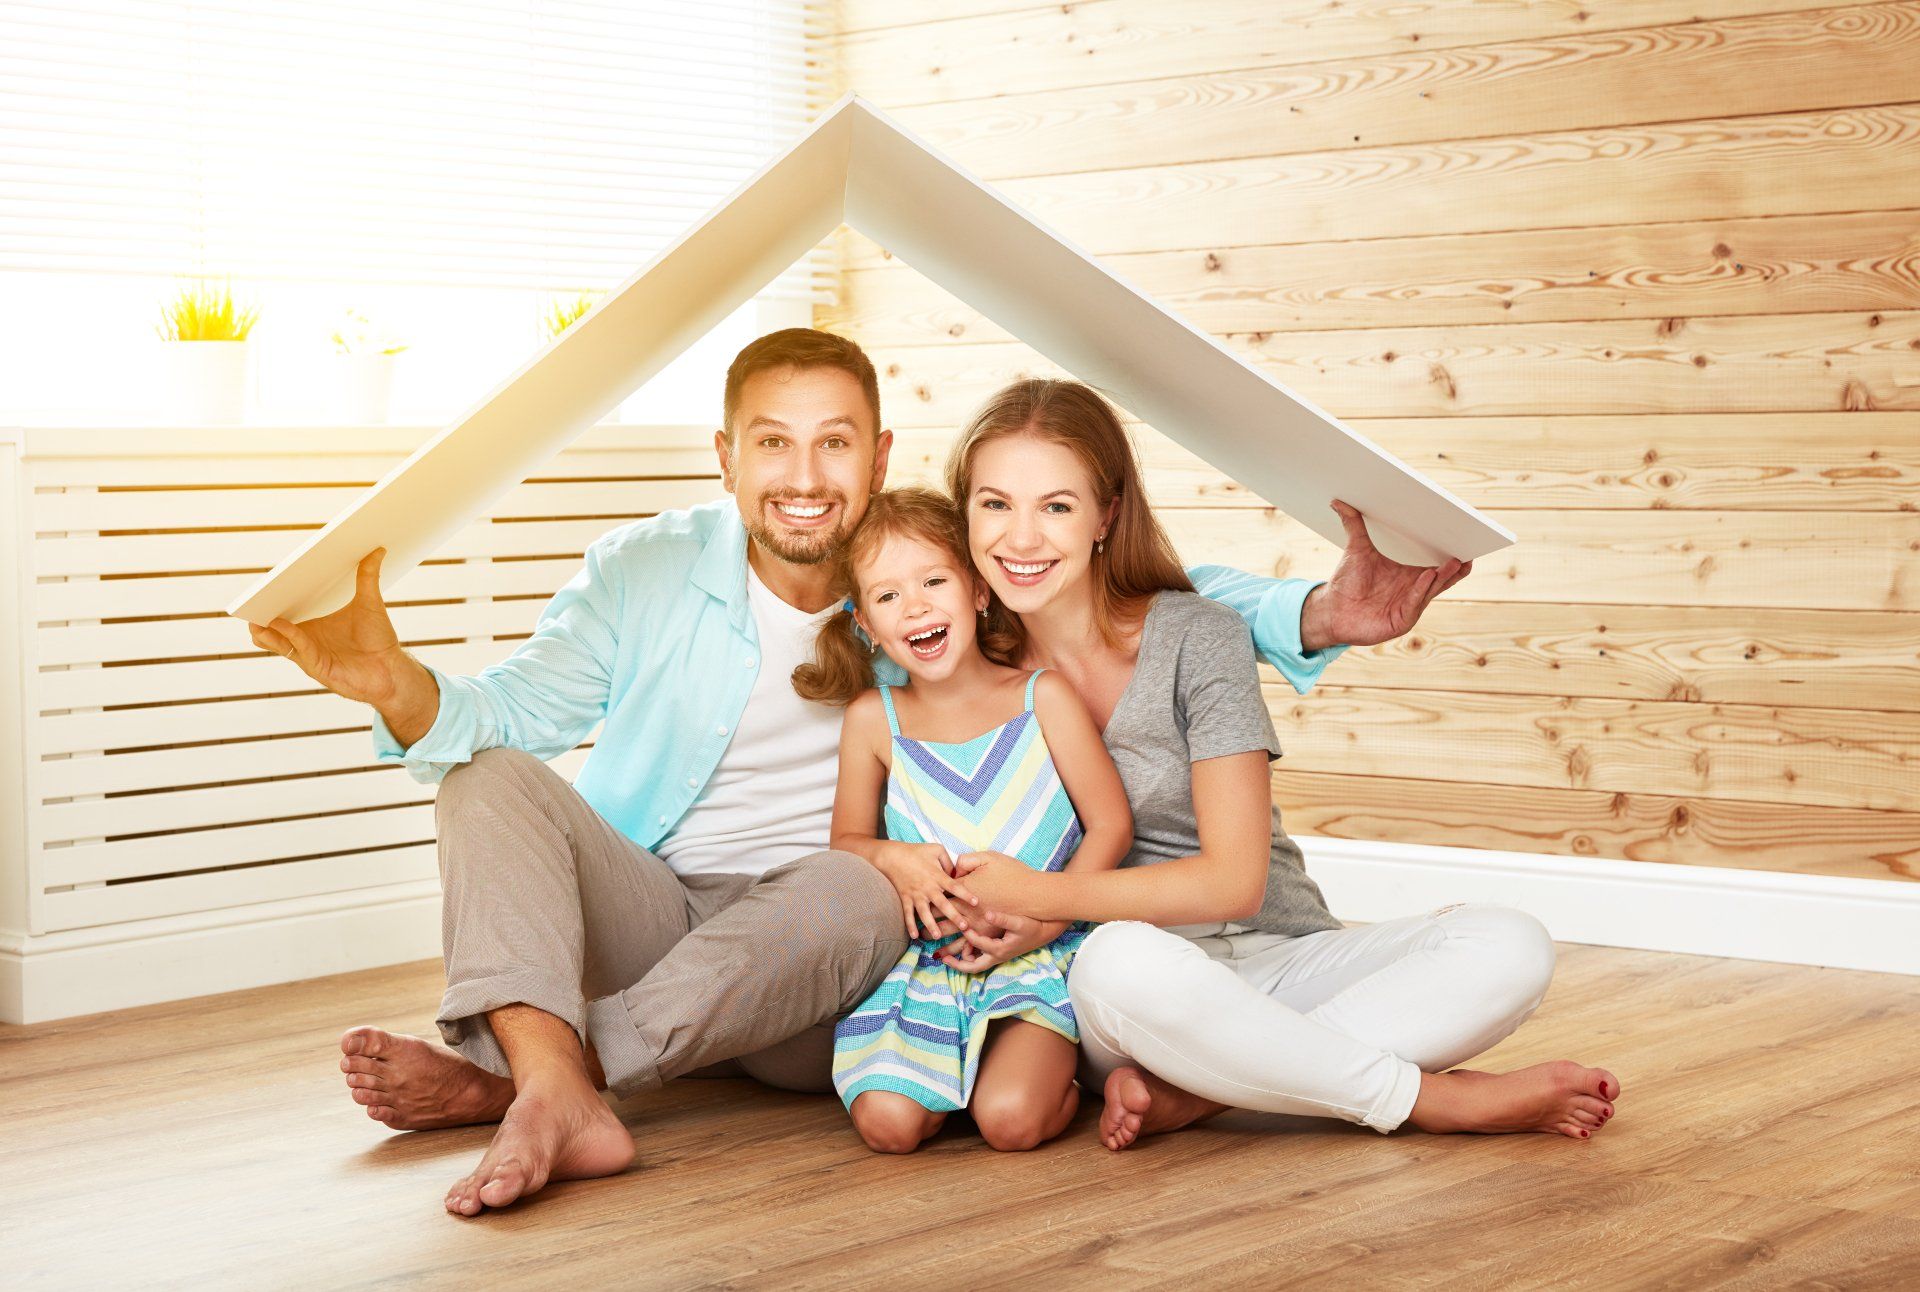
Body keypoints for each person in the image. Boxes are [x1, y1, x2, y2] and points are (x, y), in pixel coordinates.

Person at [243, 328, 1464, 1215]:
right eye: (772, 443)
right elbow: (502, 711)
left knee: (855, 874)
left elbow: (1144, 595)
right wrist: (394, 681)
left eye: (834, 442)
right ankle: (562, 1080)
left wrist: (1315, 610)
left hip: (841, 943)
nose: (804, 474)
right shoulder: (642, 571)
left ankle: (523, 1077)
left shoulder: (941, 583)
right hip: (664, 915)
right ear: (725, 456)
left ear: (878, 455)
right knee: (485, 778)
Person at [932, 379, 1622, 1149]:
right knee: (1117, 961)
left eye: (1055, 506)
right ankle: (1426, 1099)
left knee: (1510, 942)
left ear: (1107, 515)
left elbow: (1234, 881)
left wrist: (1041, 896)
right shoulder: (956, 662)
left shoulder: (1200, 635)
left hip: (1283, 954)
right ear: (963, 514)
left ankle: (1202, 1096)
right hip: (1134, 996)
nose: (1021, 539)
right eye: (995, 504)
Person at [792, 488, 1131, 1153]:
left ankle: (1057, 1080)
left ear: (977, 591)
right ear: (866, 625)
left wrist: (1046, 921)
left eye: (933, 580)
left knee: (1010, 1122)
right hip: (927, 965)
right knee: (888, 1129)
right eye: (888, 597)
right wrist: (896, 860)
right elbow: (848, 843)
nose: (914, 605)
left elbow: (1112, 824)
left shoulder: (1043, 698)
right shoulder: (873, 719)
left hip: (1038, 955)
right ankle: (949, 1073)